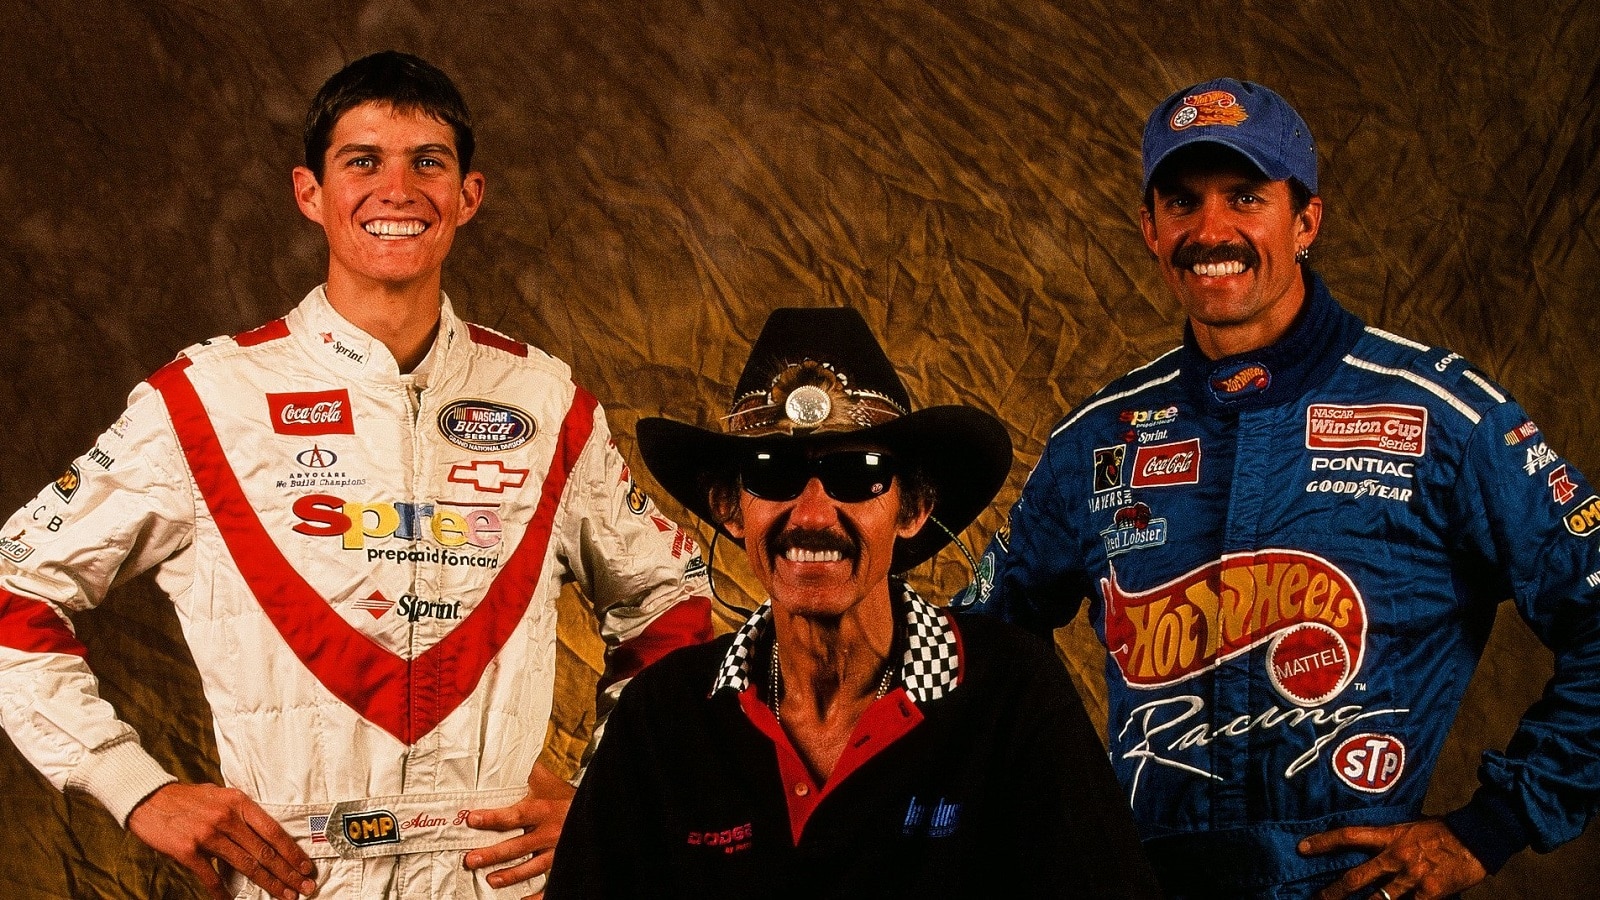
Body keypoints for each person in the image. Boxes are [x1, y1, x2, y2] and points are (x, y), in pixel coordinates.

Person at [0, 51, 713, 900]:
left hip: (495, 877)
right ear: (310, 193)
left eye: (428, 163)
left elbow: (671, 601)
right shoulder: (202, 401)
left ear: (468, 197)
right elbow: (15, 594)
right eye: (363, 161)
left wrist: (608, 790)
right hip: (296, 876)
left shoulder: (547, 403)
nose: (398, 190)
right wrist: (135, 788)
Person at [955, 77, 1600, 899]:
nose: (1210, 230)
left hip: (1351, 883)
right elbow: (978, 647)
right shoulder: (1099, 439)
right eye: (1182, 202)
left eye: (1246, 197)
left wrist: (1494, 827)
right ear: (1150, 230)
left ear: (1305, 223)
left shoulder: (1441, 413)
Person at [544, 306, 1162, 898]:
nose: (812, 515)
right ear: (731, 509)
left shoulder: (1013, 691)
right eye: (771, 471)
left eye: (859, 472)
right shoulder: (661, 716)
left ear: (913, 507)